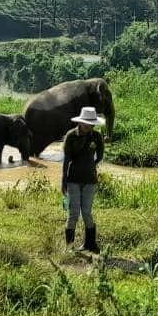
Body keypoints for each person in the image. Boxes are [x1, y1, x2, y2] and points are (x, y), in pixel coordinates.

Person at [61, 106, 105, 252]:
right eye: (86, 123)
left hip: (90, 180)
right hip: (73, 179)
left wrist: (90, 165)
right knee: (73, 213)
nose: (89, 126)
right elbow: (66, 160)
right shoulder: (71, 136)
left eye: (91, 124)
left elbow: (100, 156)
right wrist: (64, 180)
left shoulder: (96, 137)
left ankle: (90, 244)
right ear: (80, 122)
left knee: (86, 212)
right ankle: (69, 247)